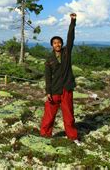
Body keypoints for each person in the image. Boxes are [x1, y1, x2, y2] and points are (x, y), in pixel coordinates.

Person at [40, 12, 81, 145]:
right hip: (54, 90)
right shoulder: (49, 60)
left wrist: (73, 22)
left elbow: (71, 38)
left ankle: (73, 137)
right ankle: (45, 135)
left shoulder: (66, 53)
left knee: (69, 116)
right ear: (52, 45)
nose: (57, 44)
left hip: (67, 89)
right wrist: (48, 92)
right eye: (54, 43)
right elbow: (47, 77)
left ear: (62, 44)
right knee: (49, 115)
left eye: (59, 43)